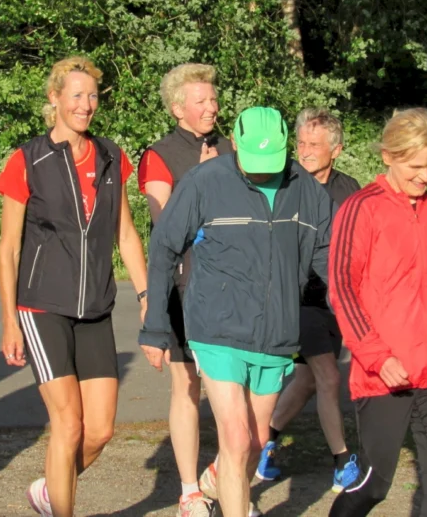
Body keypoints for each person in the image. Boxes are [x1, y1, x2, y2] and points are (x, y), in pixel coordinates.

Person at [140, 106, 332, 517]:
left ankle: (216, 480)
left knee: (257, 439)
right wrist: (155, 326)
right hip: (217, 327)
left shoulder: (308, 191)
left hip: (277, 332)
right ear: (237, 144)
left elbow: (327, 262)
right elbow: (163, 249)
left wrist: (362, 320)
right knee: (235, 436)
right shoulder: (205, 181)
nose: (262, 171)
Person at [0, 55, 148, 517]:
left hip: (96, 308)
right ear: (55, 98)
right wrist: (9, 322)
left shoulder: (111, 157)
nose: (86, 105)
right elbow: (9, 249)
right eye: (76, 95)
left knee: (99, 431)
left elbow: (125, 233)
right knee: (68, 423)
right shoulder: (28, 160)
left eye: (93, 96)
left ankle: (49, 489)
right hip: (42, 307)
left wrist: (146, 297)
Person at [327, 108, 427, 517]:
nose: (426, 175)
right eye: (416, 166)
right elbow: (342, 288)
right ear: (388, 156)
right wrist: (377, 356)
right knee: (374, 486)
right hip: (384, 372)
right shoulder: (361, 207)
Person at [137, 62, 232, 517]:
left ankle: (226, 480)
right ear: (178, 109)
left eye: (213, 99)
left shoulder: (233, 148)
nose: (212, 107)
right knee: (188, 386)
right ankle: (190, 491)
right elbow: (164, 226)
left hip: (233, 285)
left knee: (236, 389)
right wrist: (201, 177)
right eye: (202, 101)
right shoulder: (159, 155)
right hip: (184, 284)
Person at [256, 108, 360, 492]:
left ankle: (262, 443)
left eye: (314, 144)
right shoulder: (281, 185)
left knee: (305, 381)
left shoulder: (350, 191)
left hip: (335, 302)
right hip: (295, 299)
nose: (305, 151)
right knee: (329, 376)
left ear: (336, 150)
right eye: (300, 143)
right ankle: (343, 461)